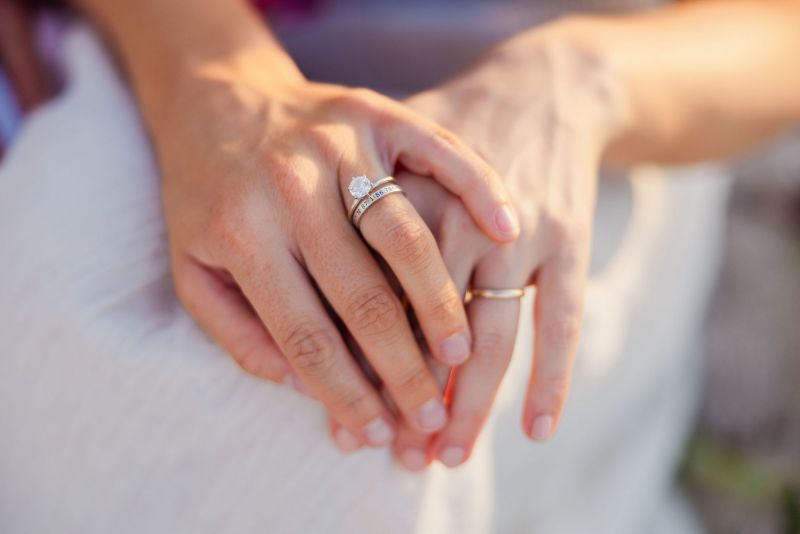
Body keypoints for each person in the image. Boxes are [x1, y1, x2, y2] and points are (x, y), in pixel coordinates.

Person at [0, 0, 798, 532]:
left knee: (371, 420)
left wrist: (576, 81)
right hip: (178, 54)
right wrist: (216, 78)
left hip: (601, 110)